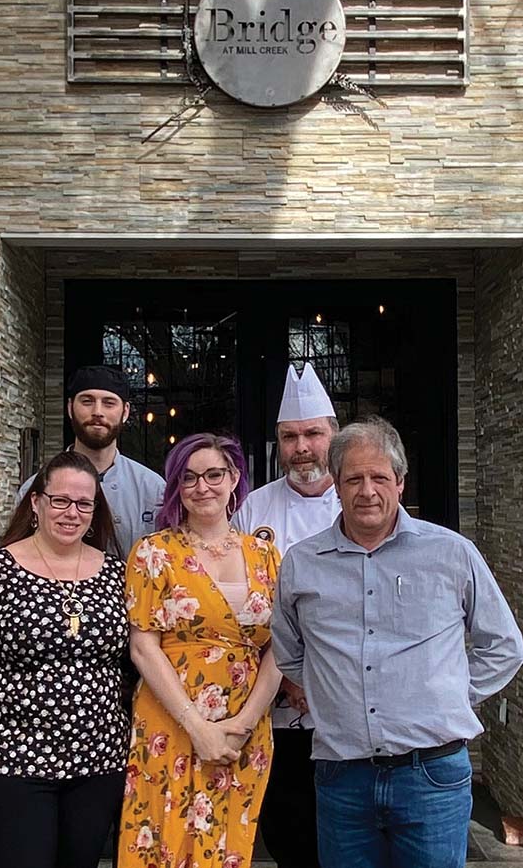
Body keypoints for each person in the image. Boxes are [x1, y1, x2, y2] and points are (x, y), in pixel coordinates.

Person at [271, 417, 523, 868]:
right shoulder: (302, 564)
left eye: (379, 478)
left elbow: (504, 645)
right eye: (353, 478)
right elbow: (290, 651)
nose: (367, 491)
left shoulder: (451, 553)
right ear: (336, 485)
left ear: (400, 483)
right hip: (341, 775)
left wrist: (449, 694)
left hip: (432, 775)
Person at [0, 449, 130, 868]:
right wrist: (3, 718)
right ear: (37, 503)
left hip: (98, 763)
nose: (71, 512)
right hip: (14, 761)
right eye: (60, 500)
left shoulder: (116, 574)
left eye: (83, 504)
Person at [119, 433, 283, 868]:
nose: (202, 487)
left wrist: (242, 725)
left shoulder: (266, 555)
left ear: (234, 480)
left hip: (244, 725)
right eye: (188, 478)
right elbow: (142, 646)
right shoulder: (152, 553)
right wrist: (197, 726)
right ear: (176, 487)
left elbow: (283, 646)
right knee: (163, 837)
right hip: (170, 719)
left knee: (229, 843)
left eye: (214, 474)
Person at [234, 362, 341, 868]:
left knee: (346, 832)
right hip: (274, 706)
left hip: (345, 706)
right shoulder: (253, 509)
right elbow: (236, 601)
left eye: (313, 434)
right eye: (290, 436)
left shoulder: (360, 501)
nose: (302, 447)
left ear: (333, 435)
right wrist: (286, 678)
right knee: (286, 828)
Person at [17, 364, 165, 561]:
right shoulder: (35, 489)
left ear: (126, 411)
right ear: (70, 408)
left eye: (109, 403)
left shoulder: (154, 489)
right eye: (87, 401)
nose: (97, 411)